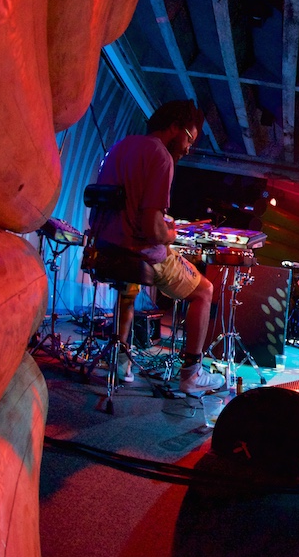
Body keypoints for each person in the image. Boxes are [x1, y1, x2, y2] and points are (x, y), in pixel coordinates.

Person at [91, 100, 224, 395]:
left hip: (107, 245)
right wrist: (170, 231)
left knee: (128, 287)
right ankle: (191, 374)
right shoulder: (162, 157)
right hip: (138, 250)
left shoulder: (120, 147)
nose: (189, 148)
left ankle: (121, 360)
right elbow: (151, 230)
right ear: (174, 127)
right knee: (204, 291)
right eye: (189, 138)